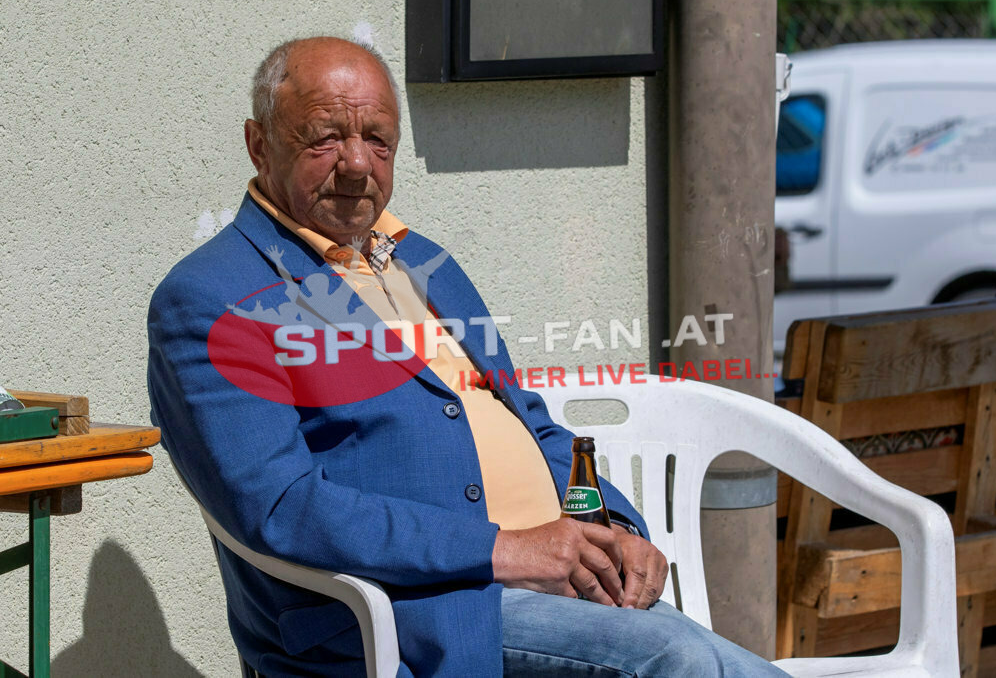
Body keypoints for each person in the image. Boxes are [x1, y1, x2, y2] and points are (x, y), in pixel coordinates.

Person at [147, 36, 785, 677]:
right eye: (325, 138)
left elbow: (529, 422)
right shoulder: (210, 297)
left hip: (555, 579)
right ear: (259, 144)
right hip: (409, 615)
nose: (357, 164)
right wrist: (505, 550)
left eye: (378, 140)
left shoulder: (420, 259)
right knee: (677, 658)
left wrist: (616, 525)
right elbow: (282, 507)